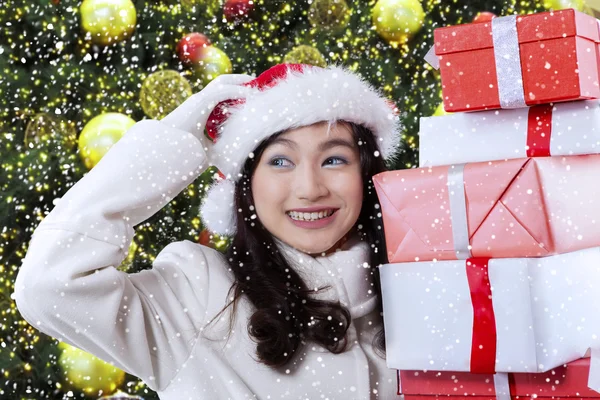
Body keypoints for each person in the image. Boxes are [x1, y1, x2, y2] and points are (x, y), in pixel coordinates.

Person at [13, 63, 402, 399]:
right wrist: (177, 144)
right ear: (246, 187)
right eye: (280, 161)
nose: (310, 189)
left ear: (365, 174)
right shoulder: (199, 293)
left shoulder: (417, 285)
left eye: (334, 159)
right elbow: (50, 286)